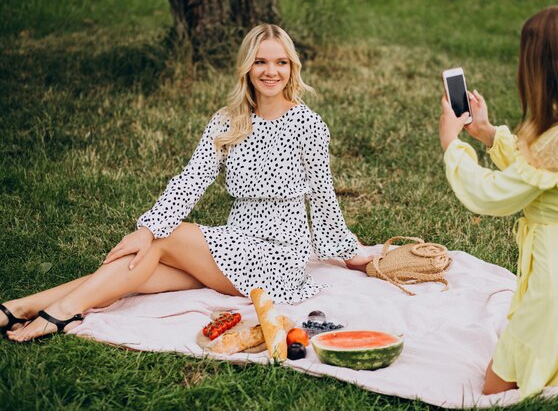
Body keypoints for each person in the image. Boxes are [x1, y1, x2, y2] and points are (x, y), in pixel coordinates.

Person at [2, 24, 371, 342]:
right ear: (247, 67)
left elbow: (324, 198)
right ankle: (21, 306)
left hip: (279, 256)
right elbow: (191, 179)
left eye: (280, 62)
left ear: (292, 68)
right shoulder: (228, 121)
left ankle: (62, 312)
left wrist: (350, 253)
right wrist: (148, 232)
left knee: (162, 238)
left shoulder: (309, 125)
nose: (270, 71)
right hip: (234, 245)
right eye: (260, 61)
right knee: (139, 267)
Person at [438, 6, 558, 397]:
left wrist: (451, 145)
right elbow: (541, 173)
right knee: (547, 353)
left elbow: (490, 195)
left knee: (495, 388)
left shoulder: (557, 140)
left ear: (539, 69)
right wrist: (489, 133)